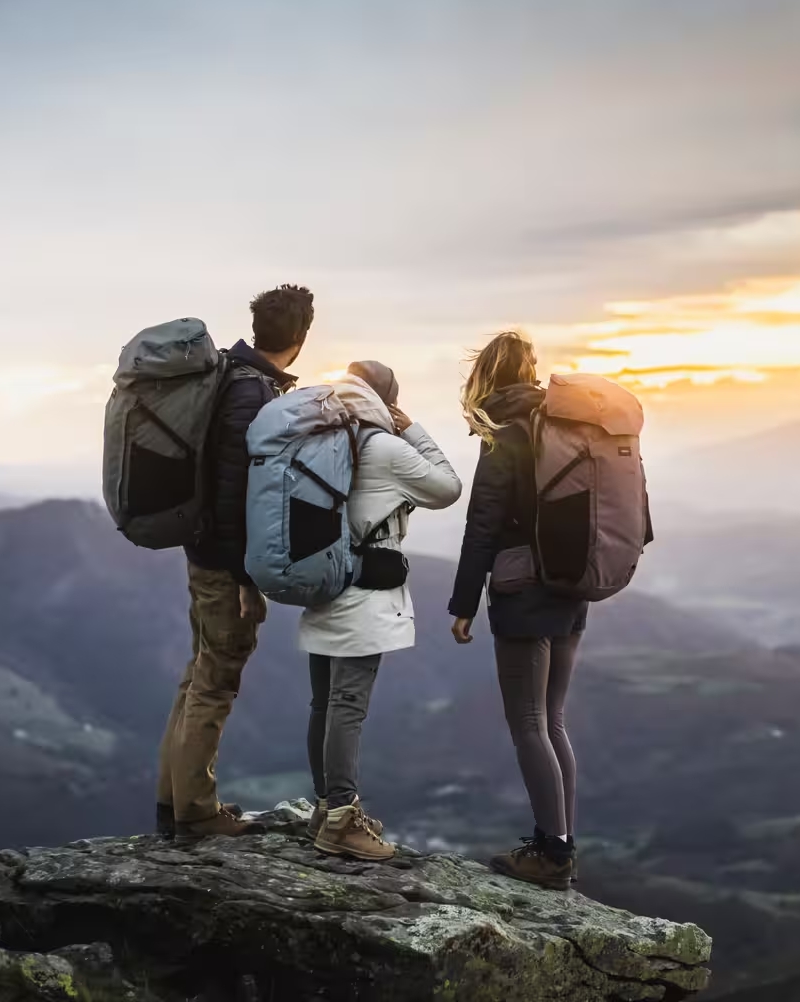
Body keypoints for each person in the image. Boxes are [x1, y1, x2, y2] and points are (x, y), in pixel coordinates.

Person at [157, 284, 313, 840]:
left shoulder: (229, 377)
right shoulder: (251, 393)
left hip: (202, 550)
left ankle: (173, 800)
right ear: (300, 338)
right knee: (216, 679)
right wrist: (246, 578)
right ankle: (196, 812)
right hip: (223, 560)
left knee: (198, 671)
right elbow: (235, 495)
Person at [302, 360, 462, 860]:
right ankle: (341, 819)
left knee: (324, 704)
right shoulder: (386, 448)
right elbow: (449, 487)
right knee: (348, 705)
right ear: (386, 402)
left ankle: (324, 809)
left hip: (323, 580)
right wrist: (411, 428)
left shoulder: (320, 441)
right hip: (366, 593)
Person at [448, 331, 587, 889]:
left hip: (523, 593)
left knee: (528, 723)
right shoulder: (566, 427)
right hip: (573, 588)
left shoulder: (503, 436)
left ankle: (553, 853)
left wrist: (463, 604)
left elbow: (481, 525)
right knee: (553, 720)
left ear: (486, 378)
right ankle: (561, 841)